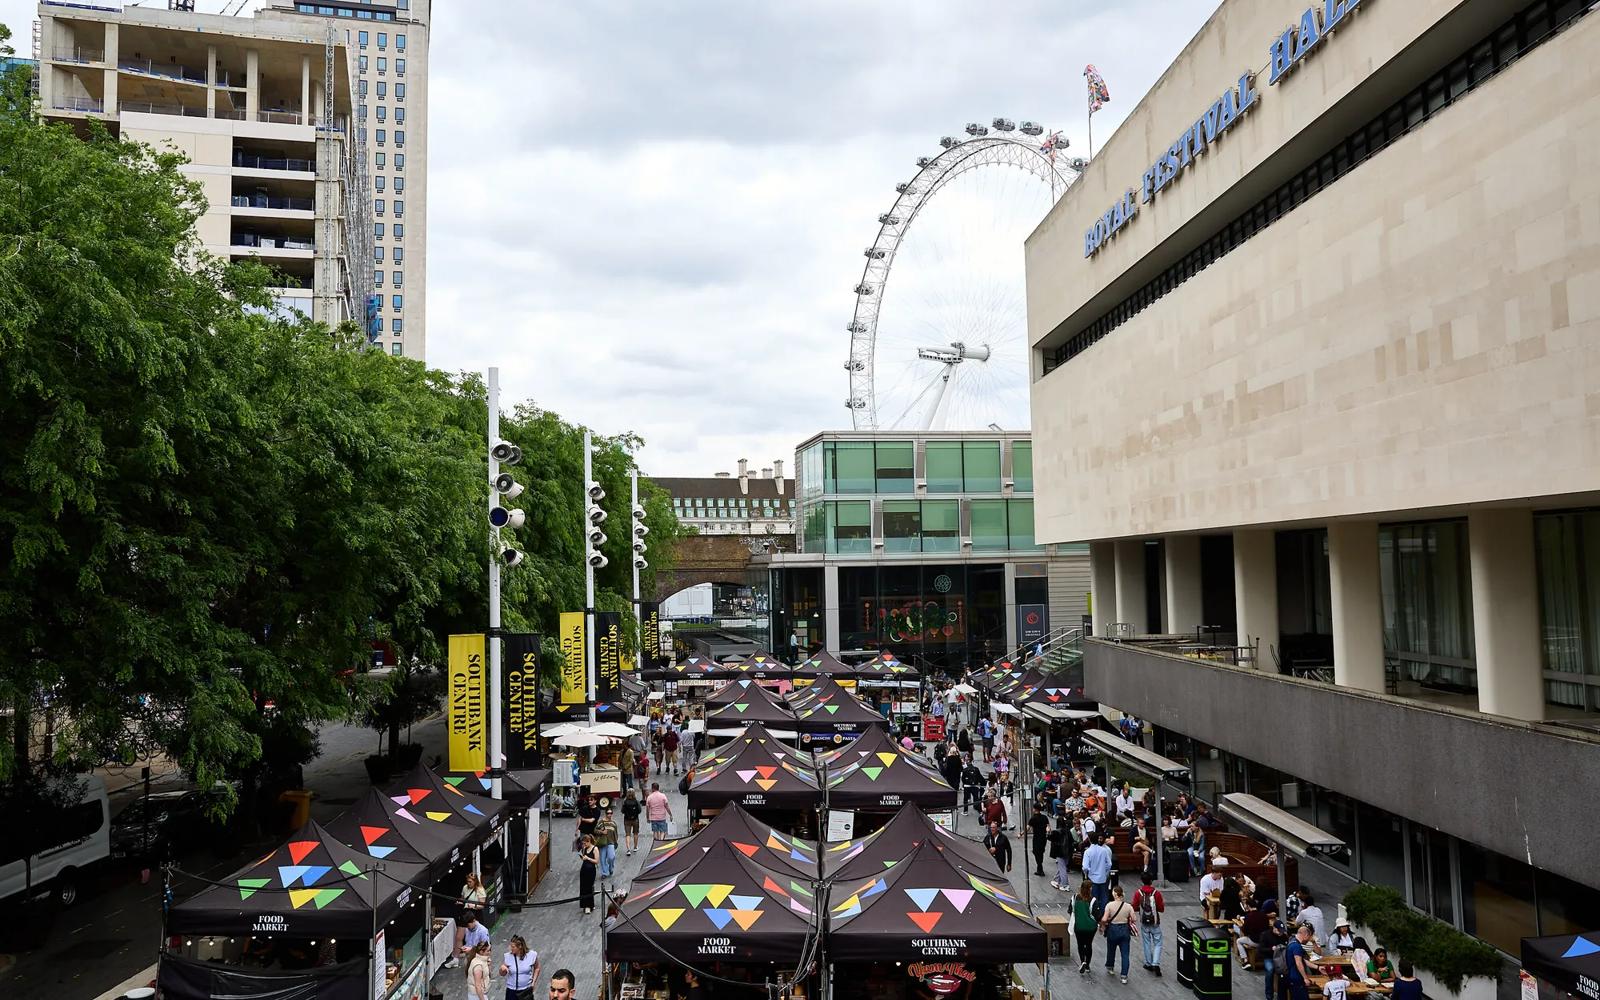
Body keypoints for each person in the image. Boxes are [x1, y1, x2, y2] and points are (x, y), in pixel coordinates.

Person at [1100, 882, 1137, 983]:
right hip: (1124, 930)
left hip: (1113, 929)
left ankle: (1110, 967)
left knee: (1111, 949)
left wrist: (1103, 925)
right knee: (1125, 954)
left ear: (1115, 894)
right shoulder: (1128, 906)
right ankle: (1124, 976)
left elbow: (1104, 919)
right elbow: (1134, 918)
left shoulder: (1109, 905)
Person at [1131, 872, 1165, 974]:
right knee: (1158, 942)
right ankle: (1156, 963)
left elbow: (1134, 906)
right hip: (1155, 921)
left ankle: (1148, 963)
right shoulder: (1156, 893)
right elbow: (1161, 909)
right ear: (1151, 881)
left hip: (1144, 921)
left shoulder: (1138, 893)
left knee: (1146, 942)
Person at [1073, 881, 1102, 974]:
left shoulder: (1074, 898)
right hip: (1090, 928)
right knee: (1088, 944)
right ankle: (1088, 965)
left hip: (1078, 926)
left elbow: (1070, 910)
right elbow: (1097, 916)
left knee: (1080, 944)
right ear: (1090, 889)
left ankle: (1082, 962)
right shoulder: (1093, 900)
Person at [500, 935, 539, 1000]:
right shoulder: (508, 956)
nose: (510, 948)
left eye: (513, 947)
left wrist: (533, 982)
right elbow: (502, 974)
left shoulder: (532, 955)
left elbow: (537, 968)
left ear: (520, 947)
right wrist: (502, 969)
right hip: (512, 991)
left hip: (526, 990)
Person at [1082, 832, 1113, 911]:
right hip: (1102, 877)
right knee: (1104, 897)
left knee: (1093, 898)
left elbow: (1085, 867)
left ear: (1089, 840)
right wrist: (1104, 872)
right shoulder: (1104, 850)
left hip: (1092, 878)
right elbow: (1109, 864)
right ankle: (1103, 915)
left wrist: (1089, 872)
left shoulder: (1088, 852)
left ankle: (1095, 914)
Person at [1285, 924, 1313, 1000]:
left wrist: (1317, 967)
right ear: (1305, 935)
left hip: (1291, 976)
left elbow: (1303, 961)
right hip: (1296, 977)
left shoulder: (1291, 942)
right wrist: (1305, 978)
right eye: (1309, 937)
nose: (1308, 940)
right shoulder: (1297, 946)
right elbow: (1299, 963)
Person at [594, 802, 619, 882]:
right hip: (602, 843)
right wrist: (601, 832)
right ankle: (604, 873)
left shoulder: (613, 823)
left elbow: (616, 833)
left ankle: (611, 868)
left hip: (611, 842)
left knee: (612, 857)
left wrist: (615, 842)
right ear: (605, 814)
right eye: (608, 813)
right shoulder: (601, 822)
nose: (609, 815)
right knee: (602, 858)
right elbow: (595, 830)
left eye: (611, 813)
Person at [1049, 813, 1073, 889]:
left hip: (1060, 852)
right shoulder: (1068, 830)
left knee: (1062, 868)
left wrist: (1048, 831)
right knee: (1062, 867)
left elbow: (1049, 837)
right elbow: (1072, 840)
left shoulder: (1056, 832)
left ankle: (1065, 885)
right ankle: (1056, 880)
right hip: (1068, 852)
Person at [578, 833, 599, 914]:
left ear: (589, 841)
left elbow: (596, 861)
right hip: (584, 869)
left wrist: (588, 858)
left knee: (589, 887)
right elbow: (584, 858)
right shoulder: (584, 849)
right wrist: (583, 858)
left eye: (585, 843)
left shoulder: (595, 849)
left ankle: (589, 905)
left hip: (591, 871)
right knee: (583, 887)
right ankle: (584, 904)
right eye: (583, 843)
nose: (584, 844)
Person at [1028, 803, 1050, 876]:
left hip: (1036, 837)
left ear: (1034, 809)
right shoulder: (1044, 817)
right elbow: (1048, 826)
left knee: (1036, 851)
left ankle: (1040, 867)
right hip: (1043, 837)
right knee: (1041, 851)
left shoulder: (1033, 818)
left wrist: (1021, 834)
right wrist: (1048, 831)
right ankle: (1039, 867)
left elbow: (1027, 828)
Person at [621, 789, 642, 855]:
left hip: (627, 819)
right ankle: (635, 847)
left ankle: (628, 849)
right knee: (635, 833)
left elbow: (622, 811)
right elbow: (639, 810)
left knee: (628, 834)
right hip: (635, 819)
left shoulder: (625, 801)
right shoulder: (636, 801)